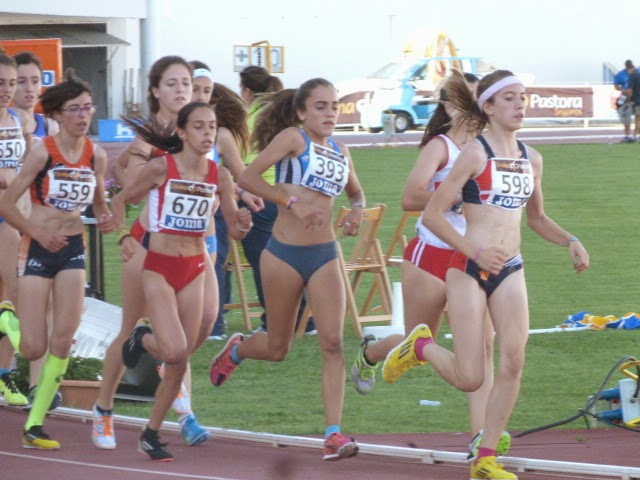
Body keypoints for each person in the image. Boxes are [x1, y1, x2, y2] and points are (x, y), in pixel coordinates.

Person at [382, 69, 590, 480]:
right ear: (489, 107)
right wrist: (473, 249)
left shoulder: (532, 158)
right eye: (509, 98)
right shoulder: (474, 155)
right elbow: (432, 214)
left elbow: (537, 218)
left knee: (514, 360)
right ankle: (420, 346)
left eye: (523, 97)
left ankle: (486, 458)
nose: (520, 104)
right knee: (470, 376)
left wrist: (570, 240)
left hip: (510, 268)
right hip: (468, 268)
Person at [350, 71, 510, 458]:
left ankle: (481, 439)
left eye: (483, 99)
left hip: (472, 258)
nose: (480, 108)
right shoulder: (441, 147)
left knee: (483, 347)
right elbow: (410, 197)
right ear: (450, 106)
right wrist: (454, 197)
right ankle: (370, 353)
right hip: (432, 256)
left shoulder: (489, 148)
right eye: (471, 99)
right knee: (419, 343)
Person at [209, 78, 365, 461]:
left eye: (334, 106)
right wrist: (291, 201)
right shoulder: (294, 139)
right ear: (301, 112)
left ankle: (333, 434)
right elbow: (247, 177)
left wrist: (357, 210)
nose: (330, 113)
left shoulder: (342, 151)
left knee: (333, 343)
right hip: (283, 255)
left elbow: (356, 193)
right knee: (278, 348)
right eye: (321, 106)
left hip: (324, 254)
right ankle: (239, 349)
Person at [111, 101, 252, 461]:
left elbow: (234, 230)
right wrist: (124, 236)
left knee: (179, 357)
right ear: (183, 133)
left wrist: (243, 223)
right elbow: (121, 199)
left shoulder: (219, 175)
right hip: (159, 268)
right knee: (172, 351)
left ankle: (151, 433)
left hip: (194, 269)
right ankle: (142, 338)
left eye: (212, 127)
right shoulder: (161, 168)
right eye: (199, 127)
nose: (208, 133)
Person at [92, 55, 211, 450]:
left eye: (187, 83)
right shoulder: (150, 138)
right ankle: (104, 408)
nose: (181, 90)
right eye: (172, 83)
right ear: (156, 90)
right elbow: (125, 180)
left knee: (202, 323)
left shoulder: (201, 128)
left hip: (194, 247)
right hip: (151, 242)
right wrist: (124, 228)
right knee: (130, 328)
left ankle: (179, 394)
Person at [0, 69, 114, 449]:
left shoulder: (96, 155)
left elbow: (100, 204)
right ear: (58, 114)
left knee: (62, 343)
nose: (83, 115)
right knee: (33, 347)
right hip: (37, 248)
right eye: (75, 109)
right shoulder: (42, 152)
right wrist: (37, 232)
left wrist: (108, 218)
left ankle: (34, 425)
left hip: (72, 249)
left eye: (88, 107)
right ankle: (6, 318)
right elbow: (7, 204)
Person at [237, 65, 316, 335]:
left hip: (262, 196)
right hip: (289, 195)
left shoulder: (250, 117)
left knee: (264, 260)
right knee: (289, 257)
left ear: (247, 91)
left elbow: (242, 164)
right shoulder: (281, 120)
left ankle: (276, 320)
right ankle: (304, 319)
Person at [12, 50, 62, 409]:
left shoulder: (50, 128)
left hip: (37, 230)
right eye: (21, 82)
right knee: (14, 303)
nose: (29, 89)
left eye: (35, 81)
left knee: (43, 305)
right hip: (8, 224)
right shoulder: (7, 125)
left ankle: (37, 386)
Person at [0, 49, 30, 408]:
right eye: (0, 83)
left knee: (7, 295)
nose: (6, 90)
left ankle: (4, 374)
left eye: (11, 83)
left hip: (14, 217)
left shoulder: (19, 119)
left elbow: (27, 166)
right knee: (13, 294)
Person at [613, 60, 635, 143]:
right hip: (625, 97)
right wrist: (622, 90)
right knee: (624, 115)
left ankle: (635, 135)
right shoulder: (621, 74)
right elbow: (616, 85)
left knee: (636, 116)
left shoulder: (637, 72)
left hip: (635, 97)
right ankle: (627, 135)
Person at [626, 62, 640, 141]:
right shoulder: (639, 73)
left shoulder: (633, 75)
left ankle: (636, 136)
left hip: (637, 100)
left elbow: (630, 91)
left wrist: (628, 101)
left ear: (628, 69)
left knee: (638, 118)